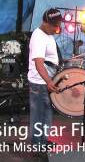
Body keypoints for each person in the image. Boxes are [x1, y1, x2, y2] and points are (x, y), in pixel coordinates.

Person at [28, 8, 62, 145]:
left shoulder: (48, 34)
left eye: (58, 24)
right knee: (38, 114)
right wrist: (48, 81)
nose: (57, 28)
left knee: (46, 112)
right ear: (44, 22)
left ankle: (43, 140)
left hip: (45, 81)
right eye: (54, 25)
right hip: (39, 82)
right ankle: (37, 144)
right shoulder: (38, 36)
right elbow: (39, 63)